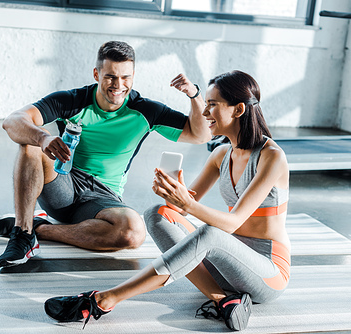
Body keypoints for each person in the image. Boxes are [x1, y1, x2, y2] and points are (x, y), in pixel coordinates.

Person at [44, 70, 291, 331]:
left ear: (239, 109)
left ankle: (105, 299)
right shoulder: (221, 155)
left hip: (267, 273)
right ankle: (223, 300)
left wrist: (188, 203)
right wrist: (173, 194)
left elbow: (232, 223)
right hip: (225, 268)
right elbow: (177, 213)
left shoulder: (272, 157)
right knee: (155, 213)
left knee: (211, 233)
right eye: (206, 105)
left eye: (212, 105)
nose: (205, 113)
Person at [0, 41, 211, 267]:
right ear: (97, 74)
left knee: (133, 232)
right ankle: (22, 232)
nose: (118, 85)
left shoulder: (146, 111)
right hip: (62, 184)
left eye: (125, 77)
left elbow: (200, 135)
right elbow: (12, 121)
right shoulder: (72, 101)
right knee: (30, 143)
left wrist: (194, 95)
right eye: (110, 77)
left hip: (102, 199)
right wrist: (42, 137)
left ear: (133, 76)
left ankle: (39, 229)